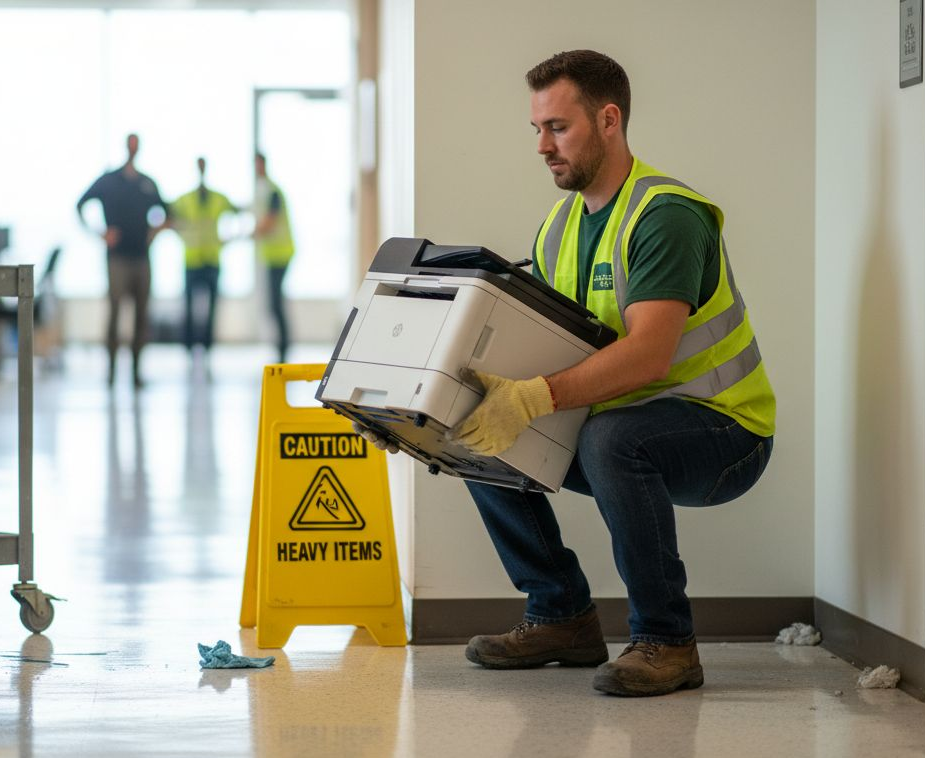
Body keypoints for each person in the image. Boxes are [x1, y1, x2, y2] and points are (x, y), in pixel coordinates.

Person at [373, 50, 777, 697]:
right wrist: (418, 406)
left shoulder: (665, 216)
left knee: (610, 438)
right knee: (477, 422)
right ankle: (561, 614)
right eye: (537, 129)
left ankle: (668, 641)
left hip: (724, 432)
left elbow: (648, 355)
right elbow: (534, 342)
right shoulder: (562, 225)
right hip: (625, 415)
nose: (542, 145)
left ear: (609, 119)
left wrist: (535, 397)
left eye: (557, 127)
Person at [77, 133, 167, 388]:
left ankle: (137, 372)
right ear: (125, 147)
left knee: (142, 315)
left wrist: (154, 233)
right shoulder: (108, 181)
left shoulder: (147, 183)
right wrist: (100, 233)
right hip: (117, 259)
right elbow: (80, 204)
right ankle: (112, 371)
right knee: (115, 312)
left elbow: (167, 213)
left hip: (141, 258)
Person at [167, 157, 238, 357]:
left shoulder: (218, 198)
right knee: (188, 308)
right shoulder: (185, 199)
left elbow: (237, 212)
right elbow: (168, 216)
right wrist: (180, 234)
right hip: (192, 261)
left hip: (212, 260)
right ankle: (189, 347)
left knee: (212, 308)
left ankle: (207, 348)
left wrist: (229, 238)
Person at [251, 152, 295, 362]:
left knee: (275, 304)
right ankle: (282, 347)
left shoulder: (271, 191)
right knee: (274, 303)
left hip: (281, 254)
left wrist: (250, 234)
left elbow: (269, 221)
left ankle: (284, 349)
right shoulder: (262, 190)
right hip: (272, 255)